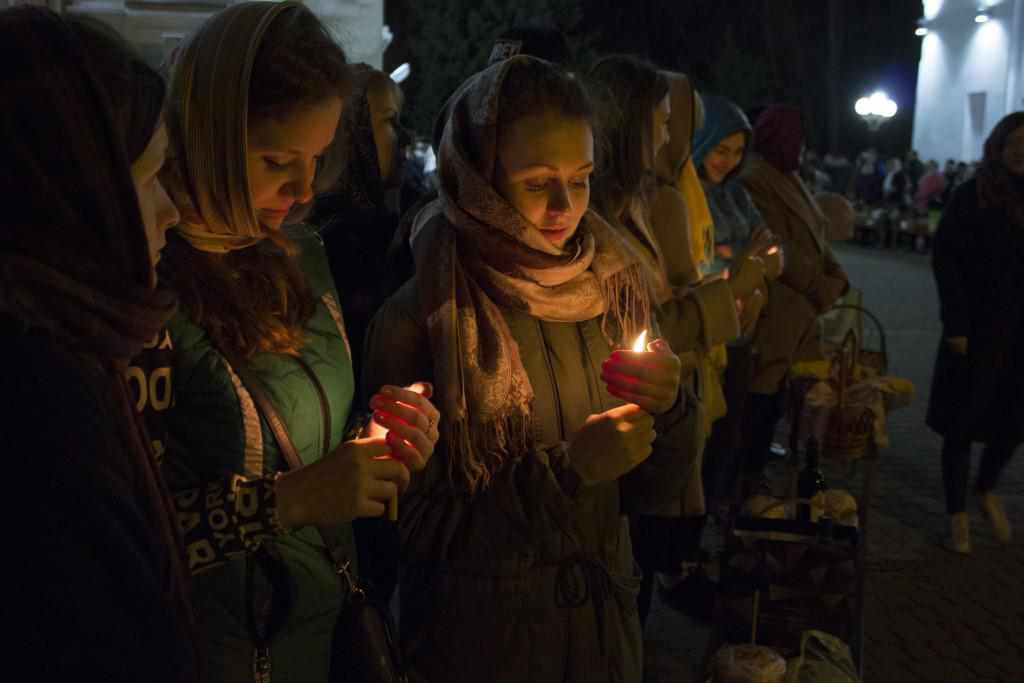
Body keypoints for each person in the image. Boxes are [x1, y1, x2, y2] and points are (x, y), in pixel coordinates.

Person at [363, 55, 699, 683]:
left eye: (583, 177)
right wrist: (569, 472)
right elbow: (409, 534)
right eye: (538, 181)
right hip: (485, 649)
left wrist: (672, 407)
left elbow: (652, 493)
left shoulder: (612, 289)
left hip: (600, 639)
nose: (565, 205)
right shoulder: (424, 316)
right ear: (482, 175)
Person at [159, 3, 439, 681]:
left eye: (317, 158)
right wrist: (292, 499)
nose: (305, 188)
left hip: (319, 637)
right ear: (210, 134)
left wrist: (382, 436)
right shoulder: (145, 280)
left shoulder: (296, 251)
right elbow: (126, 531)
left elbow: (312, 435)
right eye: (277, 159)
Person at [3, 7, 196, 680]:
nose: (172, 209)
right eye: (144, 180)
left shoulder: (72, 348)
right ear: (71, 194)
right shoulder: (42, 408)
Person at [928, 111, 1024, 554]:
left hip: (1020, 335)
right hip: (976, 330)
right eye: (1016, 142)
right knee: (962, 424)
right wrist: (957, 323)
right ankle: (956, 516)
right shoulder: (973, 196)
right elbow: (947, 261)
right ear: (999, 145)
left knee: (1011, 424)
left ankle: (985, 489)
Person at [741, 104, 850, 488]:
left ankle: (755, 472)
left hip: (797, 309)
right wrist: (821, 286)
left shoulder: (790, 176)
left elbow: (815, 235)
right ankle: (745, 479)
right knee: (759, 395)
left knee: (776, 394)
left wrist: (837, 275)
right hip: (778, 304)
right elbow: (775, 243)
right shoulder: (755, 175)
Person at [308, 64, 416, 374]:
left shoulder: (409, 219)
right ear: (350, 133)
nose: (405, 137)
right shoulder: (319, 241)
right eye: (389, 122)